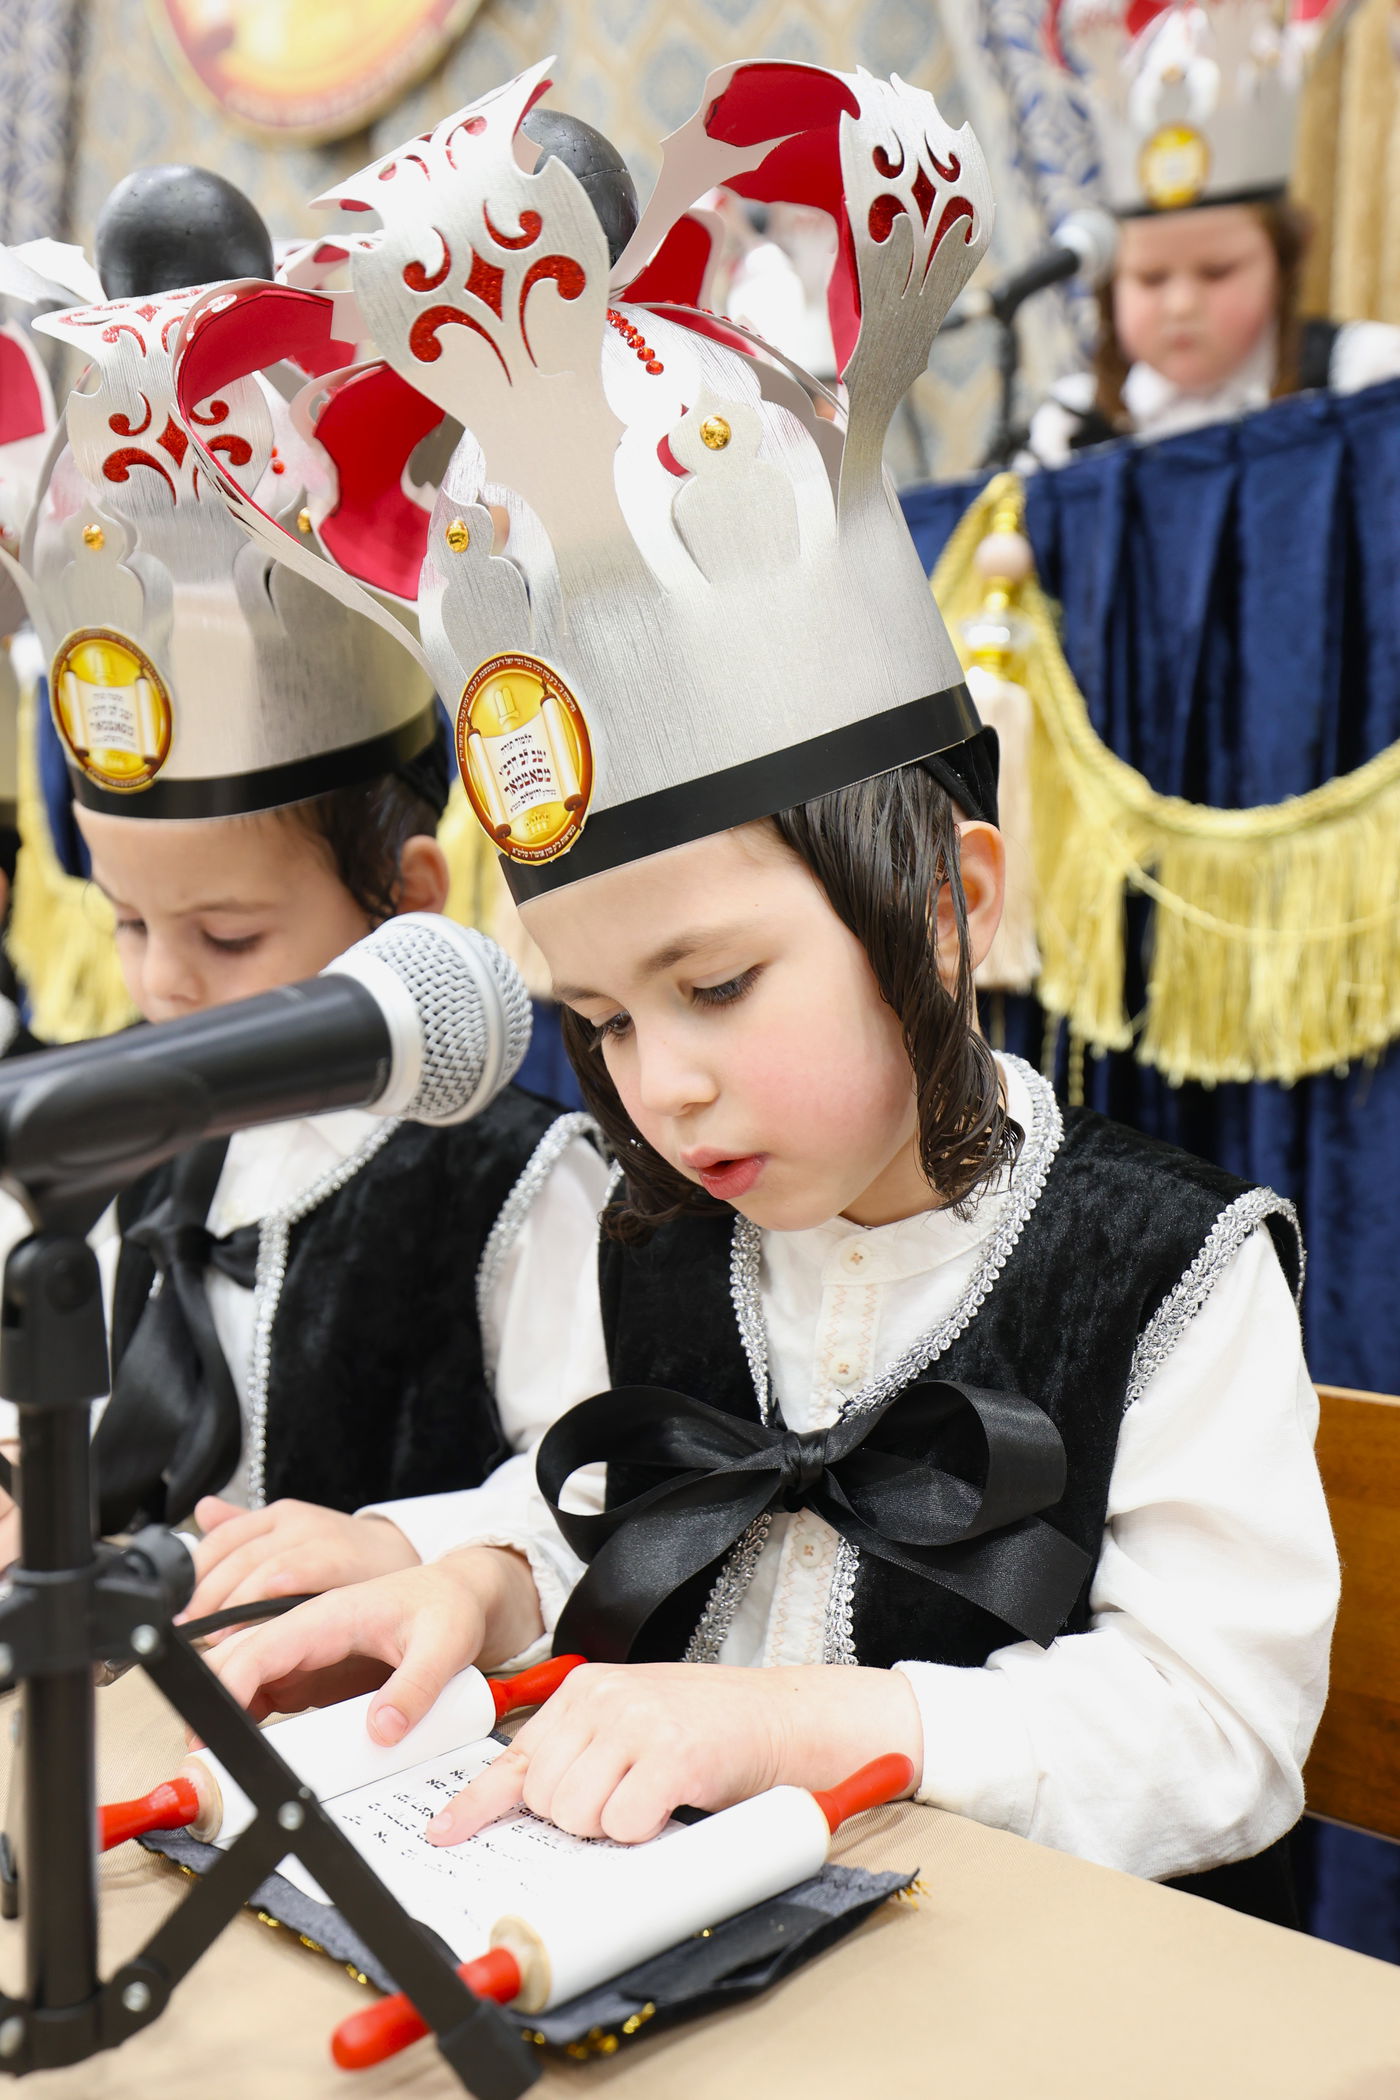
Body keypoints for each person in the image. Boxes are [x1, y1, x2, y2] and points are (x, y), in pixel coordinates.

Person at [192, 59, 1337, 1918]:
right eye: (607, 1024)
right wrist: (469, 1576)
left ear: (956, 906)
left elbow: (1223, 1725)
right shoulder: (635, 1238)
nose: (667, 1090)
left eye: (718, 983)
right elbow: (563, 1496)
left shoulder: (1169, 1274)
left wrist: (821, 1723)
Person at [0, 184, 609, 1597]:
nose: (161, 984)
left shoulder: (513, 1187)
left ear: (406, 899)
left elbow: (601, 1487)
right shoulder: (103, 1154)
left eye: (226, 934)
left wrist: (422, 1550)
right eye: (130, 925)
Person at [1029, 0, 1400, 464]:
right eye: (1150, 278)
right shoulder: (1068, 431)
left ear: (1283, 262)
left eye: (1217, 272)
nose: (1181, 304)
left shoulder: (1368, 377)